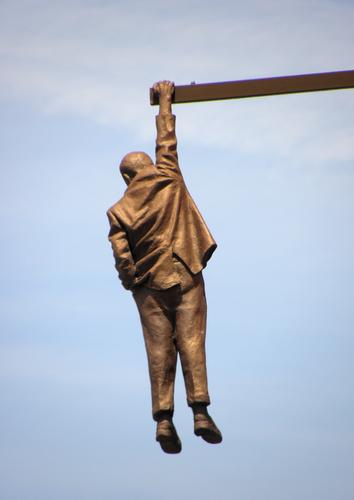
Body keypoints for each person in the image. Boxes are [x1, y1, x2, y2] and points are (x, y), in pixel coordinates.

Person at [107, 80, 222, 454]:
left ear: (126, 178)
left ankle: (163, 420)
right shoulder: (168, 177)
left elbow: (121, 258)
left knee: (158, 350)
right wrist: (166, 103)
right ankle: (200, 412)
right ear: (148, 168)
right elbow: (167, 142)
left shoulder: (118, 211)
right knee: (191, 342)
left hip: (150, 286)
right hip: (185, 272)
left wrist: (133, 281)